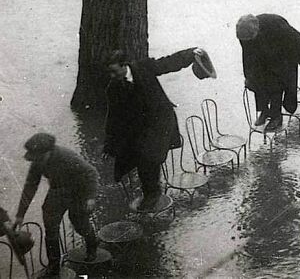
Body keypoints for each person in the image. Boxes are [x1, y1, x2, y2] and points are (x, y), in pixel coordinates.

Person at [104, 47, 210, 211]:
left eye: (113, 71)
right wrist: (109, 145)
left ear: (124, 65)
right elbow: (113, 117)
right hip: (141, 127)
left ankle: (153, 194)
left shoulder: (144, 67)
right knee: (138, 156)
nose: (111, 76)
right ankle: (151, 192)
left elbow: (168, 63)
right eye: (109, 73)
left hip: (161, 121)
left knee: (149, 156)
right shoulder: (113, 88)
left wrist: (190, 54)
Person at [14, 133, 98, 277]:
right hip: (57, 191)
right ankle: (54, 266)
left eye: (39, 157)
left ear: (48, 152)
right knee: (50, 229)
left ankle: (92, 245)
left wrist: (90, 197)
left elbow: (91, 173)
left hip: (79, 190)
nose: (36, 160)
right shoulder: (38, 162)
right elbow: (30, 188)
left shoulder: (67, 157)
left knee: (79, 223)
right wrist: (20, 215)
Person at [237, 14, 300, 132]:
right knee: (257, 81)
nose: (248, 42)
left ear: (256, 30)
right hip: (265, 57)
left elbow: (297, 38)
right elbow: (247, 56)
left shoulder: (275, 25)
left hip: (284, 55)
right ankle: (264, 111)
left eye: (250, 38)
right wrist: (248, 76)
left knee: (276, 85)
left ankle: (276, 117)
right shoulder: (244, 35)